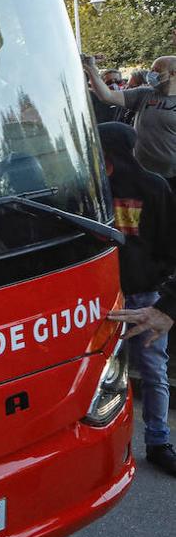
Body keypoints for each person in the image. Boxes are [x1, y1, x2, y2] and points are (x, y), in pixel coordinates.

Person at [95, 124, 176, 476]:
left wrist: (159, 285)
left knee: (151, 371)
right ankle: (108, 445)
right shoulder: (94, 188)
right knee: (105, 374)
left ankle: (156, 442)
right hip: (108, 298)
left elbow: (169, 242)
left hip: (141, 297)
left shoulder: (153, 187)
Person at [84, 54, 176, 188]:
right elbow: (107, 96)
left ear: (173, 74)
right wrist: (91, 69)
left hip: (172, 176)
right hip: (142, 172)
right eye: (151, 69)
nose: (151, 74)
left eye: (157, 70)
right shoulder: (145, 94)